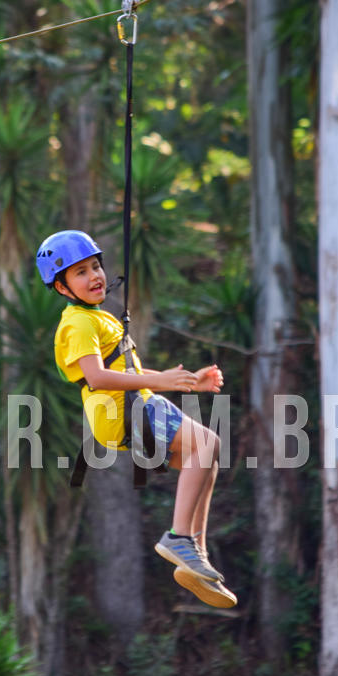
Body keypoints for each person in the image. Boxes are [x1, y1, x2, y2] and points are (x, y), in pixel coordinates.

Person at [36, 229, 237, 609]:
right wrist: (160, 382)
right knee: (208, 444)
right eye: (80, 272)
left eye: (95, 266)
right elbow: (97, 377)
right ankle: (180, 538)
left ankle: (195, 556)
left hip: (127, 411)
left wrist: (189, 381)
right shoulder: (78, 323)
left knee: (204, 459)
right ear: (62, 287)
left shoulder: (96, 318)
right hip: (124, 412)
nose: (94, 276)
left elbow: (126, 369)